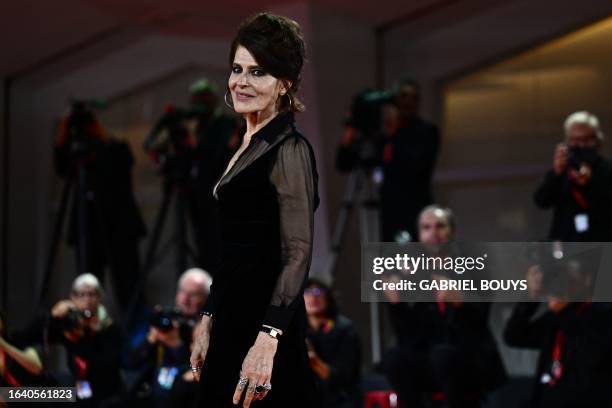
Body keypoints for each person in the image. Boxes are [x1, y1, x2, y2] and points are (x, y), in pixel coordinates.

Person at [190, 12, 320, 408]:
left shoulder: (290, 149)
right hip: (231, 319)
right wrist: (209, 315)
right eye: (237, 68)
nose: (241, 82)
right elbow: (235, 251)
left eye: (258, 72)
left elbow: (297, 252)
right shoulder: (247, 145)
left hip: (264, 325)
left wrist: (270, 337)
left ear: (284, 83)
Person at [381, 205, 506, 408]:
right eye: (426, 228)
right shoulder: (414, 272)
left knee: (443, 356)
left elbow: (480, 321)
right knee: (395, 358)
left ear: (452, 231)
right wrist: (396, 304)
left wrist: (461, 301)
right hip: (432, 359)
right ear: (419, 235)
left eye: (440, 226)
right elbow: (409, 336)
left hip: (469, 358)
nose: (433, 233)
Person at [54, 105, 147, 310]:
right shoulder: (76, 155)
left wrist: (97, 134)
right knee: (89, 280)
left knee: (127, 282)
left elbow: (120, 166)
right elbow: (61, 166)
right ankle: (90, 322)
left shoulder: (116, 148)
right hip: (87, 226)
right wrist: (64, 126)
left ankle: (134, 330)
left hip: (119, 226)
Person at [503, 251, 612, 408]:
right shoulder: (560, 313)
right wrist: (530, 298)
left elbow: (591, 356)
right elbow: (514, 337)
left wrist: (562, 311)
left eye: (571, 274)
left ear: (587, 280)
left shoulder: (602, 314)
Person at [126, 268, 211, 407]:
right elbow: (129, 362)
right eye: (182, 291)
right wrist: (150, 340)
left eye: (194, 294)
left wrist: (176, 345)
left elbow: (196, 372)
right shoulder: (162, 320)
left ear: (207, 299)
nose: (185, 299)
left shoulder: (207, 330)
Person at [534, 111, 612, 241]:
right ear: (567, 142)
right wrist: (556, 173)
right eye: (574, 140)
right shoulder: (562, 171)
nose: (580, 146)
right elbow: (541, 201)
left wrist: (590, 184)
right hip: (567, 243)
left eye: (586, 140)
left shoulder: (607, 169)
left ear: (598, 141)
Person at [190, 79, 241, 275]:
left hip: (222, 198)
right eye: (195, 100)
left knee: (221, 246)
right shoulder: (196, 128)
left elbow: (225, 157)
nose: (198, 104)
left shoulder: (226, 124)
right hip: (199, 199)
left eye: (203, 99)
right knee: (204, 246)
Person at [379, 79, 440, 242]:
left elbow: (414, 167)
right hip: (389, 213)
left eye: (414, 97)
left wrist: (394, 133)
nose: (408, 102)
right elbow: (345, 162)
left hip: (415, 211)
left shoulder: (427, 132)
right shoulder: (385, 133)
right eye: (403, 96)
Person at [305, 279, 361, 408]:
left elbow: (347, 377)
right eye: (307, 292)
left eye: (318, 292)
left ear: (328, 297)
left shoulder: (345, 329)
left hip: (341, 398)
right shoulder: (300, 329)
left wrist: (315, 362)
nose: (313, 296)